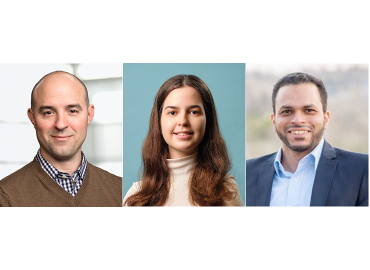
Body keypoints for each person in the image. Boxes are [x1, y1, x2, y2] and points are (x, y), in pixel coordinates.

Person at [245, 72, 369, 207]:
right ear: (274, 120)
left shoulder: (362, 170)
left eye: (309, 110)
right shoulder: (247, 173)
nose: (298, 120)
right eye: (287, 111)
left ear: (325, 118)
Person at [0, 71, 123, 207]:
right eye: (48, 113)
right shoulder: (5, 197)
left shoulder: (122, 192)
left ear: (89, 115)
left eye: (72, 111)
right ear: (32, 117)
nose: (60, 124)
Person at [123, 74, 244, 207]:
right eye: (172, 113)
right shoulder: (137, 197)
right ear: (159, 121)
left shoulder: (225, 190)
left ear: (207, 120)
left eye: (193, 112)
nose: (182, 121)